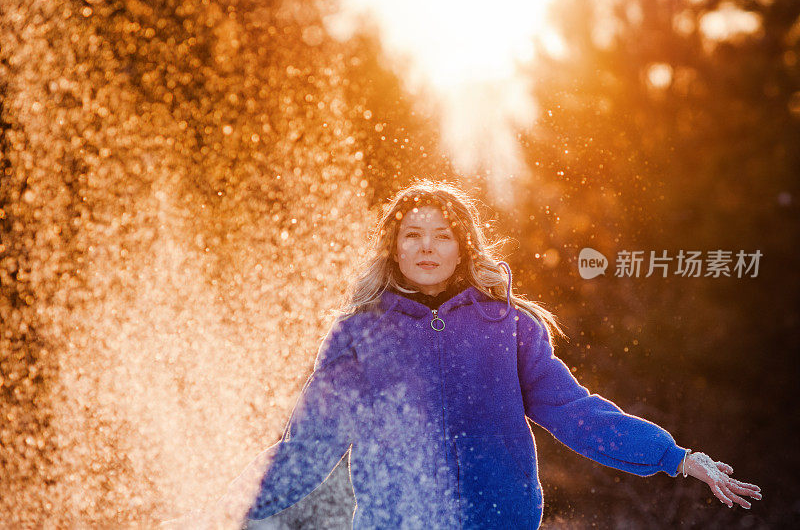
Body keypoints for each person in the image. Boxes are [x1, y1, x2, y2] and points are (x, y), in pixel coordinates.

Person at [162, 180, 761, 529]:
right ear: (393, 248)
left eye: (441, 234)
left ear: (463, 245)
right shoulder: (357, 336)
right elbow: (311, 445)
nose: (426, 247)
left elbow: (578, 415)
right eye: (412, 235)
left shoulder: (511, 329)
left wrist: (676, 457)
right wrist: (230, 509)